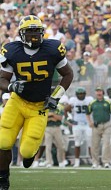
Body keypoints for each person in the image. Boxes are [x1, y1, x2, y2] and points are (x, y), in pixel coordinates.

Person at [0, 15, 74, 190]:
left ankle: (30, 153)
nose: (34, 36)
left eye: (36, 32)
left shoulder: (53, 48)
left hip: (39, 105)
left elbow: (68, 74)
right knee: (2, 142)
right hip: (17, 102)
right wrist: (11, 86)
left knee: (26, 151)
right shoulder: (11, 50)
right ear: (21, 34)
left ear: (42, 33)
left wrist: (55, 96)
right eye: (30, 32)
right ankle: (3, 178)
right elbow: (2, 78)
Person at [86, 87, 111, 168]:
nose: (99, 93)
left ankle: (106, 162)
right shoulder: (92, 103)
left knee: (106, 144)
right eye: (97, 91)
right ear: (95, 93)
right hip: (96, 125)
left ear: (103, 92)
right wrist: (90, 122)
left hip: (106, 125)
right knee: (95, 145)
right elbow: (87, 113)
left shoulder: (108, 102)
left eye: (100, 91)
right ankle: (95, 162)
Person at [66, 87, 94, 167]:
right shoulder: (73, 100)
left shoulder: (89, 99)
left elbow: (93, 109)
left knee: (90, 143)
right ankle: (77, 161)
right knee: (77, 143)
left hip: (87, 124)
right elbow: (65, 110)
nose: (81, 95)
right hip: (77, 124)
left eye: (82, 94)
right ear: (76, 95)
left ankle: (93, 160)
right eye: (79, 94)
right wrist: (70, 119)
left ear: (85, 94)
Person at [44, 102, 65, 168]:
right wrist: (51, 118)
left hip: (57, 127)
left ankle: (61, 161)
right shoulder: (45, 106)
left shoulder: (59, 107)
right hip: (47, 128)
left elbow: (60, 118)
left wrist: (52, 115)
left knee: (60, 146)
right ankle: (49, 162)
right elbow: (43, 118)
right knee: (48, 146)